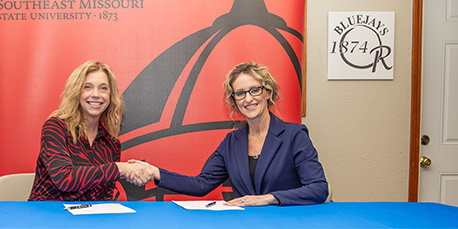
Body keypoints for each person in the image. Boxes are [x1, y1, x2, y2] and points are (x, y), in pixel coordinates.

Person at [131, 62, 328, 206]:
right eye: (240, 93)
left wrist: (269, 198)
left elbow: (318, 188)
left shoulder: (294, 135)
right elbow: (201, 185)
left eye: (254, 90)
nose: (248, 98)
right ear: (234, 101)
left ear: (268, 93)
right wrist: (154, 172)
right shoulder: (232, 142)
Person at [28, 60, 151, 201]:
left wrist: (129, 172)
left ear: (111, 96)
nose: (96, 94)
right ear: (76, 92)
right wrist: (119, 168)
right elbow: (64, 178)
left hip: (88, 220)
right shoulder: (55, 127)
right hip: (47, 217)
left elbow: (105, 196)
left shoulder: (112, 144)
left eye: (103, 88)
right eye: (87, 87)